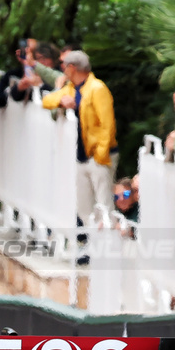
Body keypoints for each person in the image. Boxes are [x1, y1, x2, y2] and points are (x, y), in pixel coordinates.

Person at [42, 50, 117, 228]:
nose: (62, 70)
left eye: (64, 66)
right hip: (81, 157)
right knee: (84, 206)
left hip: (98, 156)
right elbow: (47, 101)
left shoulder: (97, 88)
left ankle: (108, 246)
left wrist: (100, 154)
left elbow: (108, 125)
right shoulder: (70, 88)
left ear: (72, 67)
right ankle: (92, 245)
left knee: (104, 204)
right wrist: (61, 101)